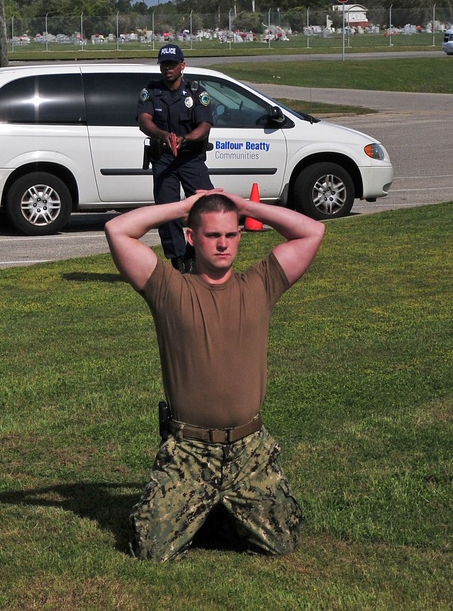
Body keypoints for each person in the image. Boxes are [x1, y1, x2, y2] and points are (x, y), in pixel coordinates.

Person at [104, 190, 325, 562]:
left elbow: (312, 231)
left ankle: (216, 510)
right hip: (190, 450)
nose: (223, 243)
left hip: (248, 449)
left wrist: (246, 207)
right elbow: (117, 230)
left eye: (231, 234)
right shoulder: (167, 288)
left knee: (282, 540)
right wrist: (184, 208)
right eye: (211, 235)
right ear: (192, 237)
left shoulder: (261, 283)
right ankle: (204, 505)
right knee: (153, 549)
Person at [136, 44, 214, 273]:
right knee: (167, 210)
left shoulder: (196, 92)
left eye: (172, 64)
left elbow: (205, 126)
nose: (167, 68)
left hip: (191, 158)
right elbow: (144, 120)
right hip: (164, 159)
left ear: (182, 66)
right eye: (164, 64)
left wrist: (185, 139)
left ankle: (196, 253)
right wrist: (163, 135)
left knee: (206, 206)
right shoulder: (151, 92)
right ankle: (178, 261)